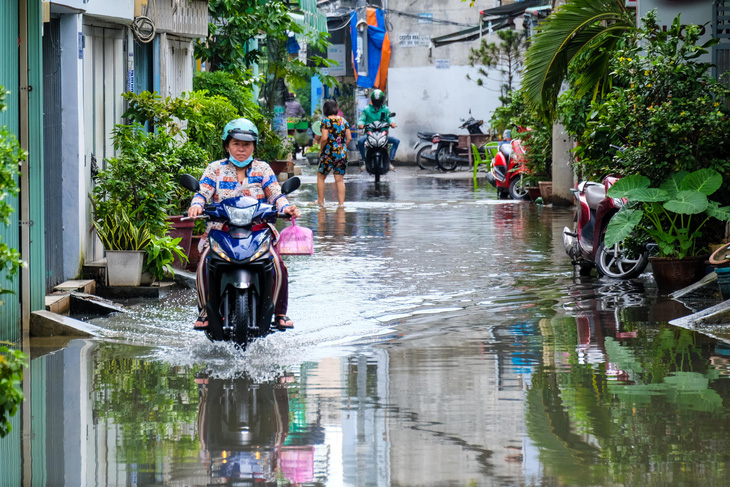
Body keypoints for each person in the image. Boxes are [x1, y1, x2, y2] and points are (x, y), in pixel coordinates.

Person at [187, 118, 300, 331]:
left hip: (258, 232)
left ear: (253, 146)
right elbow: (202, 192)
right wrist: (196, 205)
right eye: (236, 144)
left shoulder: (263, 169)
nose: (241, 149)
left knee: (278, 264)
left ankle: (280, 312)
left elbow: (276, 194)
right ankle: (204, 310)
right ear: (227, 145)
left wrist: (286, 208)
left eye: (246, 144)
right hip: (221, 231)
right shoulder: (215, 169)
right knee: (203, 262)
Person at [317, 99, 352, 206]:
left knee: (321, 177)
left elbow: (324, 138)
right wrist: (343, 148)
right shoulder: (343, 121)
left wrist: (321, 150)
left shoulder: (326, 121)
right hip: (342, 154)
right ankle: (341, 203)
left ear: (325, 109)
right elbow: (349, 138)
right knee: (340, 180)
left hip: (328, 153)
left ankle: (321, 202)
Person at [357, 89, 398, 172]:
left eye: (379, 101)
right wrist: (360, 124)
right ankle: (364, 161)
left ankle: (390, 161)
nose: (377, 102)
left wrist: (392, 123)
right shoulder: (366, 109)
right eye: (376, 101)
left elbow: (390, 118)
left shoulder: (385, 109)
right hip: (369, 133)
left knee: (396, 141)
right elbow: (362, 119)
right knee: (360, 142)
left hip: (383, 133)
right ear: (372, 100)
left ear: (382, 101)